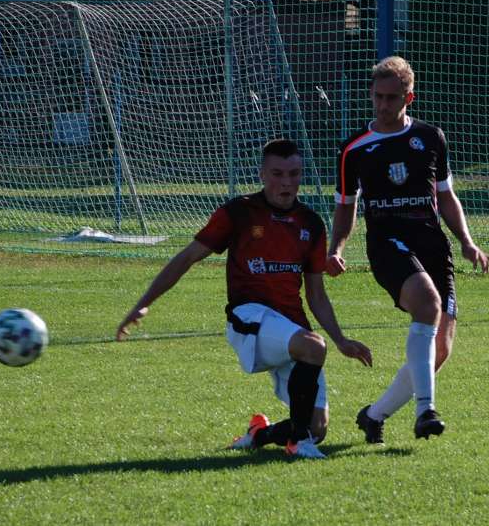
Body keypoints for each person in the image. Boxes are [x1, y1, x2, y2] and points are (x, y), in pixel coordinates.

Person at [117, 138, 372, 459]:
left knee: (317, 426)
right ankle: (298, 443)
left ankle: (261, 434)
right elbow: (187, 257)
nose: (287, 182)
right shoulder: (239, 213)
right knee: (313, 347)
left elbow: (316, 294)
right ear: (263, 174)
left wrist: (341, 339)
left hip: (292, 331)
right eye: (278, 173)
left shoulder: (310, 223)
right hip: (248, 318)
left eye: (294, 174)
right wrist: (145, 301)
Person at [326, 56, 489, 443]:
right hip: (387, 245)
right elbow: (345, 205)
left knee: (439, 352)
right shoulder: (354, 149)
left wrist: (468, 243)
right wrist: (337, 247)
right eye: (378, 97)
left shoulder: (431, 138)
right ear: (370, 95)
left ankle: (374, 415)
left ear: (409, 98)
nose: (384, 106)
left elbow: (447, 197)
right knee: (427, 303)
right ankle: (425, 411)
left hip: (432, 244)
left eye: (393, 98)